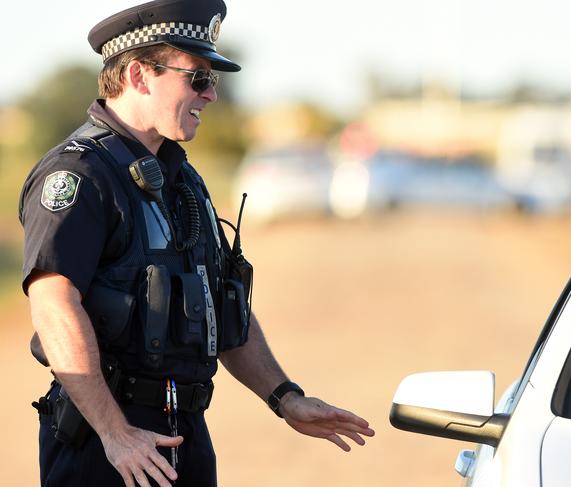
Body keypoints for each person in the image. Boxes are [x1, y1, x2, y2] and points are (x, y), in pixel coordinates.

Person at [20, 1, 375, 486]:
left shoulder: (182, 180)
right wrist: (116, 434)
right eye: (198, 78)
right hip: (106, 446)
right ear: (141, 75)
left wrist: (285, 398)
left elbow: (219, 305)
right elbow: (53, 303)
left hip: (183, 435)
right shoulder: (79, 175)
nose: (210, 96)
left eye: (213, 81)